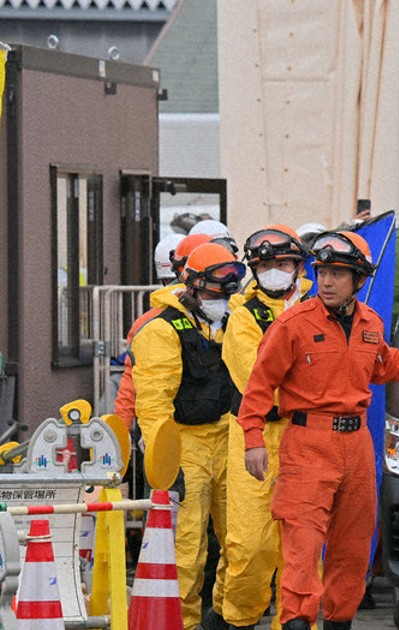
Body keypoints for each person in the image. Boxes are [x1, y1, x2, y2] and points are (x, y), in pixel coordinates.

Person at [238, 231, 399, 630]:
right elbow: (259, 385)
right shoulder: (292, 324)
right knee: (302, 548)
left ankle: (340, 622)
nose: (327, 282)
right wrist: (252, 440)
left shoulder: (370, 323)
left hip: (356, 447)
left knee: (352, 552)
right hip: (307, 444)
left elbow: (389, 366)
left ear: (359, 280)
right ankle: (298, 622)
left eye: (338, 273)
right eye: (322, 273)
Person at [131, 242, 246, 630]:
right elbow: (153, 403)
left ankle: (227, 619)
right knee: (187, 548)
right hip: (186, 444)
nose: (223, 298)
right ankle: (180, 624)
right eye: (216, 290)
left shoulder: (235, 321)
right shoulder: (161, 330)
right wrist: (166, 463)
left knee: (242, 541)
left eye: (230, 290)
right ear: (193, 284)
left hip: (232, 438)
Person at [220, 225, 310, 630]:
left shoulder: (321, 305)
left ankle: (294, 623)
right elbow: (255, 380)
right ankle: (238, 620)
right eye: (266, 265)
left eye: (283, 263)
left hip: (309, 438)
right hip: (255, 433)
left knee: (304, 548)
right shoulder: (243, 316)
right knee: (250, 545)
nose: (275, 271)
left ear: (298, 265)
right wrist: (309, 389)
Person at [114, 233, 210, 429]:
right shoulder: (231, 314)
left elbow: (129, 389)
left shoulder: (147, 322)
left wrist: (120, 438)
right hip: (180, 430)